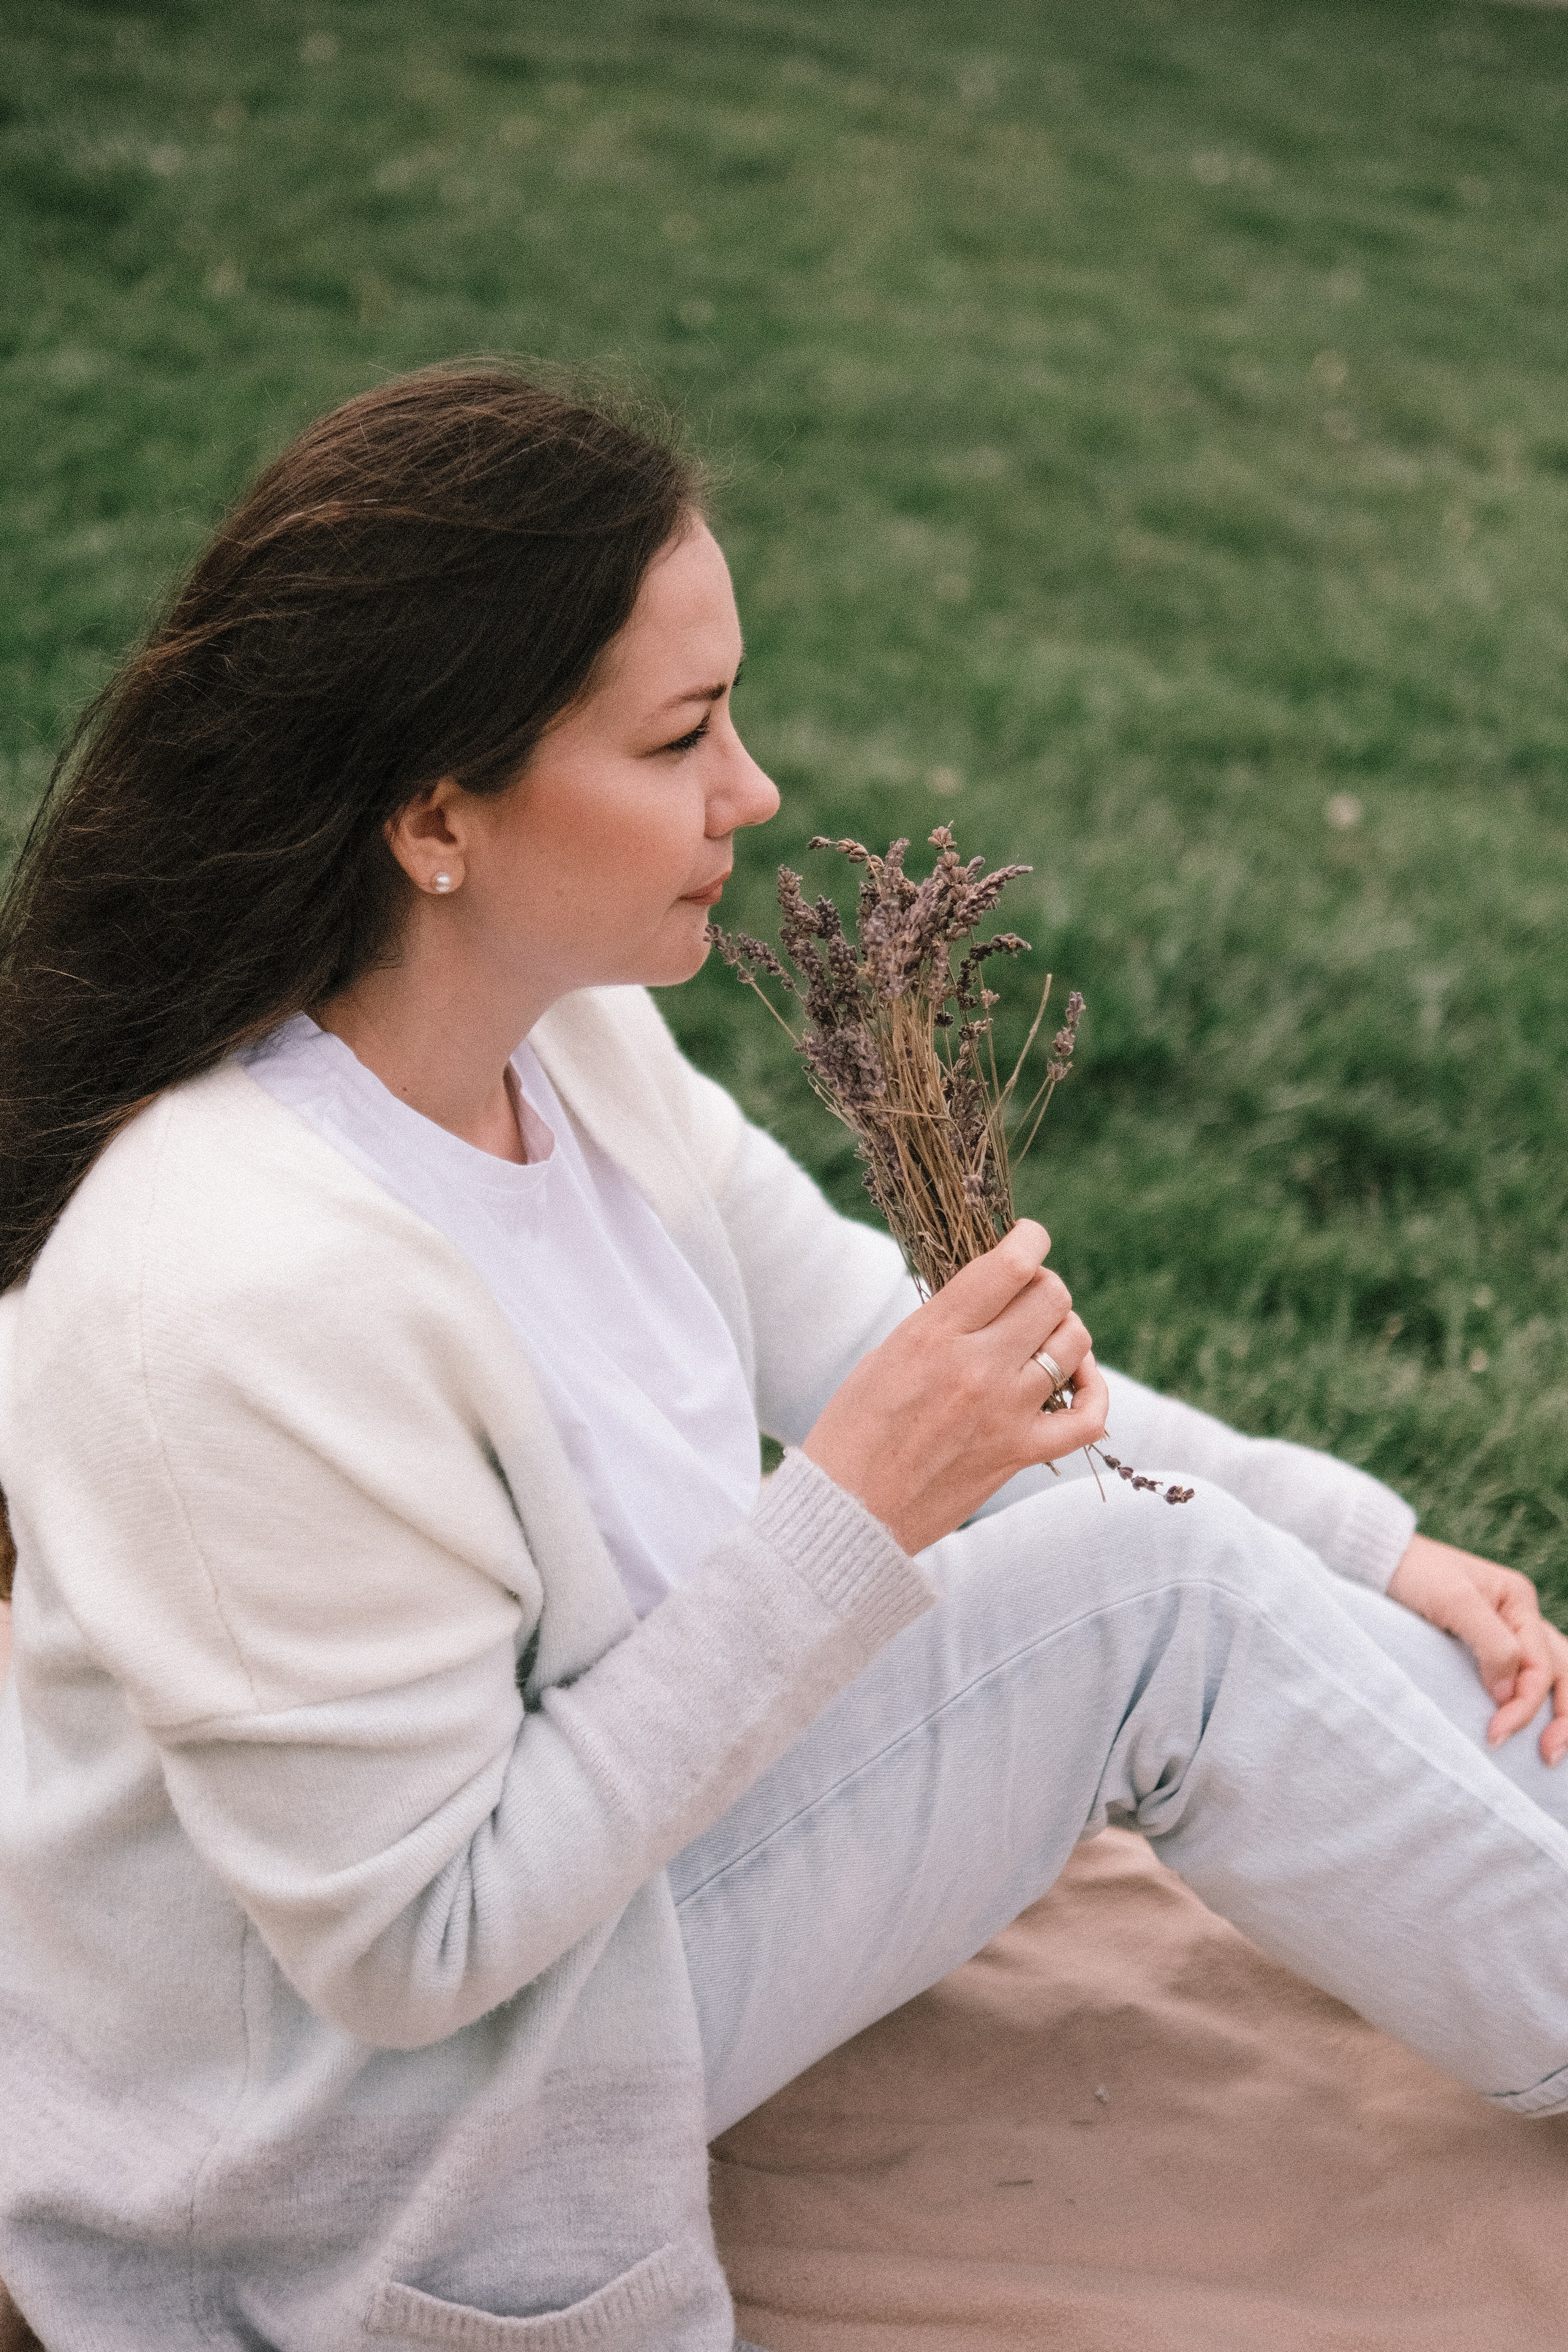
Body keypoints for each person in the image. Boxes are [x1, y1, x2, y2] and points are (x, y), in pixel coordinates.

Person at [1, 364, 1565, 2352]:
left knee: (1410, 1659)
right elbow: (414, 1950)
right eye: (682, 735)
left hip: (610, 1906)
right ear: (434, 816)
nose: (751, 790)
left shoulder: (565, 1045)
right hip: (368, 2131)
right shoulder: (230, 1293)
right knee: (1154, 1583)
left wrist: (1376, 1545)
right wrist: (848, 1516)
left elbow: (897, 1347)